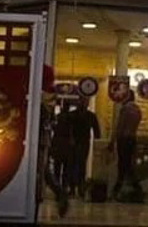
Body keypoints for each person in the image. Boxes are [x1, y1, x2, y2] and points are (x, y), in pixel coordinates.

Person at [36, 66, 69, 218]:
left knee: (40, 171)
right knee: (43, 171)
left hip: (39, 138)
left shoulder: (42, 94)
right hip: (44, 139)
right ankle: (59, 193)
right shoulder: (50, 95)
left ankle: (57, 194)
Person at [108, 90, 142, 200]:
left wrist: (112, 141)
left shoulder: (125, 109)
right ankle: (133, 189)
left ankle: (118, 189)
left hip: (124, 139)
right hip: (132, 138)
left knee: (123, 165)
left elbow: (120, 126)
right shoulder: (137, 109)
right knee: (128, 164)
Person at [67, 97, 101, 197]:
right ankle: (73, 188)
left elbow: (97, 130)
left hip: (83, 142)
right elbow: (68, 128)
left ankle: (79, 188)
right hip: (76, 142)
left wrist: (97, 141)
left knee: (80, 165)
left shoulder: (90, 116)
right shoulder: (74, 115)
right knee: (73, 165)